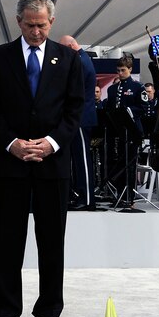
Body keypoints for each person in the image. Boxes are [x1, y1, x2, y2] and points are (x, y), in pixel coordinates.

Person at [0, 0, 83, 317]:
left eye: (41, 25)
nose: (36, 32)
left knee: (52, 241)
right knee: (7, 240)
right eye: (29, 25)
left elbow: (74, 110)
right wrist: (12, 143)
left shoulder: (67, 59)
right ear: (18, 21)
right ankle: (5, 312)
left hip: (53, 165)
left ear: (51, 22)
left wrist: (51, 143)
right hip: (12, 164)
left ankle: (49, 311)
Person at [58, 35, 98, 211]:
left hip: (81, 118)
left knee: (82, 159)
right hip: (77, 118)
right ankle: (80, 195)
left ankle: (88, 199)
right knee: (76, 158)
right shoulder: (81, 59)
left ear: (71, 46)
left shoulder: (81, 62)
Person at [104, 55, 147, 208]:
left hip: (133, 130)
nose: (120, 73)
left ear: (130, 69)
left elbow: (143, 108)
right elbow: (110, 108)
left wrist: (127, 111)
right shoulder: (112, 89)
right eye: (118, 71)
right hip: (118, 131)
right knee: (118, 162)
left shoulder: (138, 87)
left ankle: (129, 196)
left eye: (123, 70)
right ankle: (119, 193)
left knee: (130, 163)